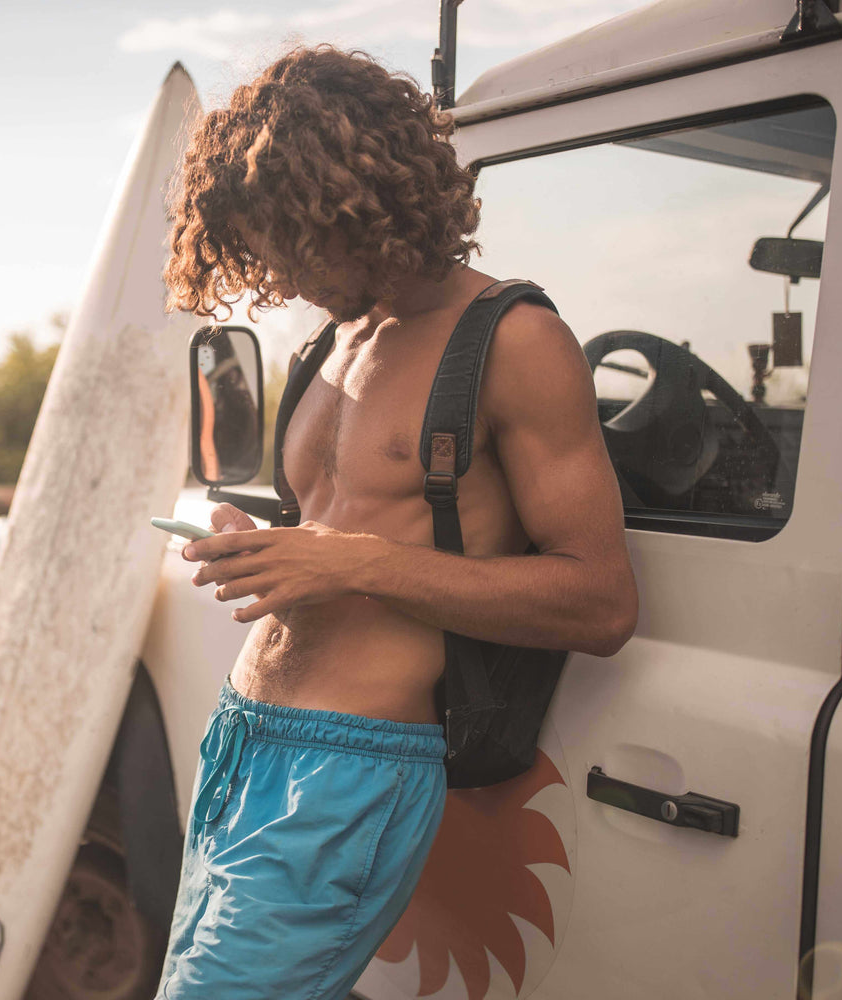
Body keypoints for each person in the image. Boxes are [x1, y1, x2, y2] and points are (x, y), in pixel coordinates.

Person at [153, 46, 638, 1000]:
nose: (279, 274)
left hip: (350, 777)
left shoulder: (517, 342)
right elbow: (333, 533)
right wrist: (269, 545)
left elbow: (600, 601)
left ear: (355, 201)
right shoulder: (332, 339)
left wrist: (355, 563)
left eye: (290, 239)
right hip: (243, 740)